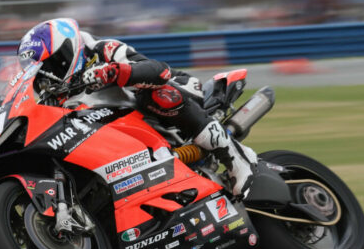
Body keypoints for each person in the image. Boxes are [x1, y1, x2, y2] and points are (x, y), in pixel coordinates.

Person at [17, 17, 258, 196]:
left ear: (68, 51)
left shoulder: (102, 49)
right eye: (41, 73)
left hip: (175, 92)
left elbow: (158, 70)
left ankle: (236, 157)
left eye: (52, 66)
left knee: (156, 95)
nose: (49, 77)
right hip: (120, 133)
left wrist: (114, 72)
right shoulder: (53, 94)